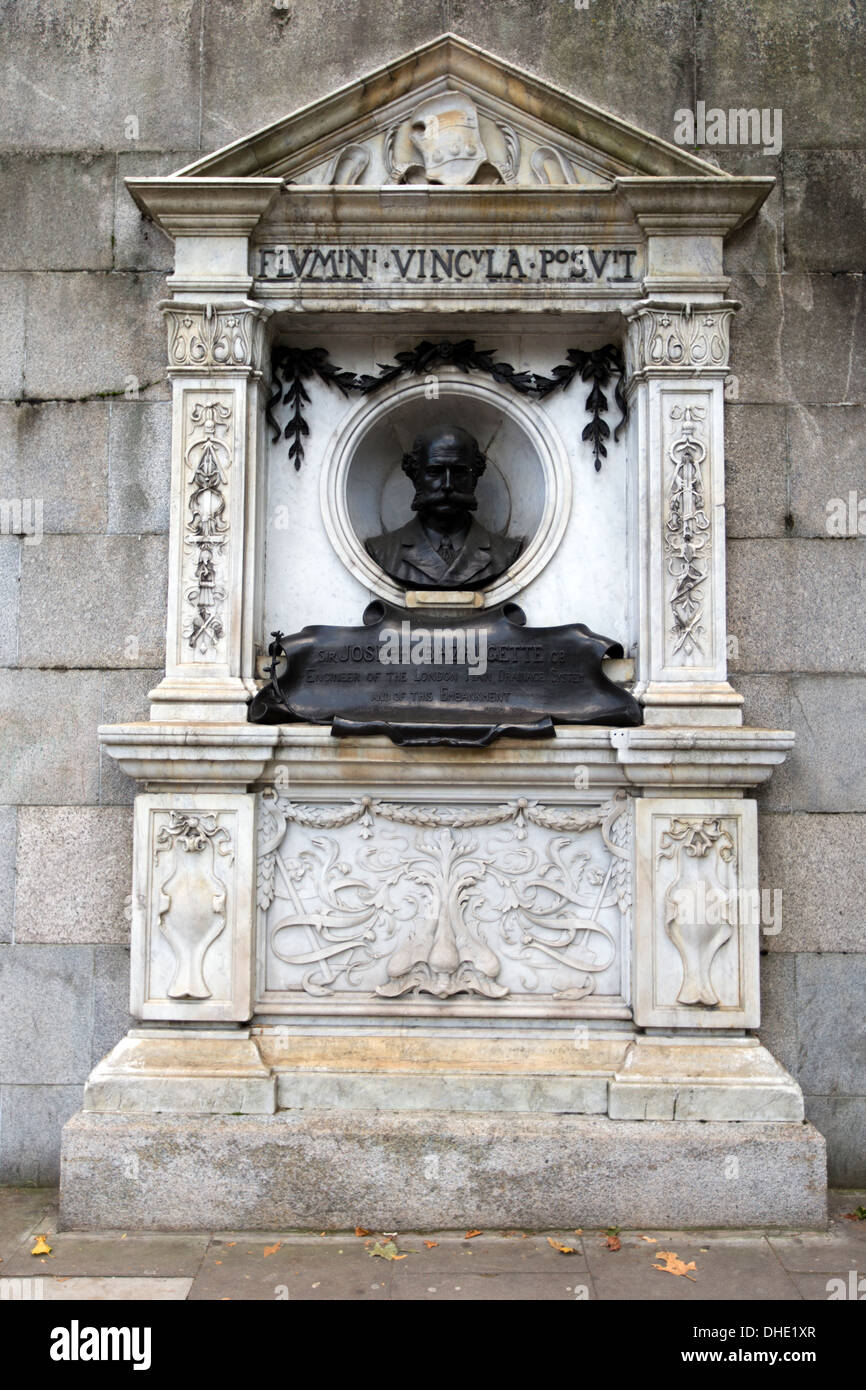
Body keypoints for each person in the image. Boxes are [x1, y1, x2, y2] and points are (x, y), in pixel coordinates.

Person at [365, 424, 523, 588]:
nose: (448, 485)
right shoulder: (384, 551)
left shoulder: (504, 552)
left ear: (474, 477)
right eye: (435, 472)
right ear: (415, 477)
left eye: (459, 472)